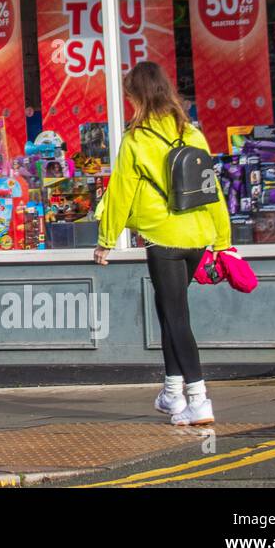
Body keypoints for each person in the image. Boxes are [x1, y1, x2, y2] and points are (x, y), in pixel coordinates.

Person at [94, 61, 232, 427]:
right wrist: (223, 239)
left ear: (138, 97)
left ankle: (199, 399)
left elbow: (120, 191)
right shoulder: (193, 133)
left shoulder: (137, 139)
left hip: (163, 238)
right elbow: (213, 191)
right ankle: (172, 393)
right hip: (199, 236)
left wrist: (106, 239)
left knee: (176, 316)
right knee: (169, 311)